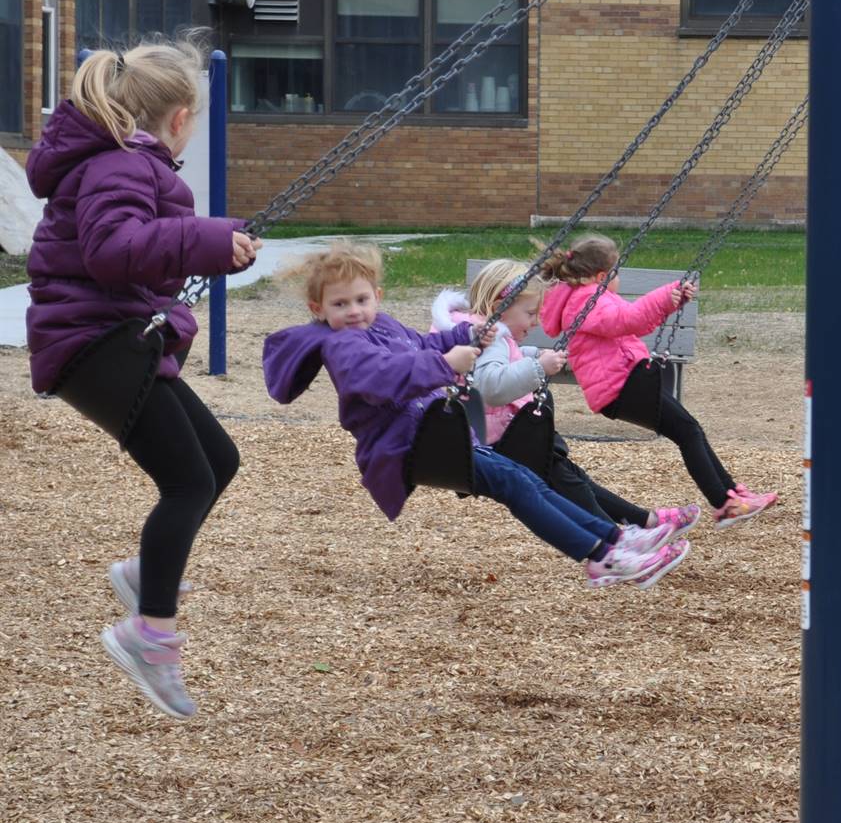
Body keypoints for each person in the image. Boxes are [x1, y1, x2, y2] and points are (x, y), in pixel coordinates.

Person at [24, 37, 261, 719]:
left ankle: (143, 573)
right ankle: (149, 636)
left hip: (115, 336)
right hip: (96, 343)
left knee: (219, 459)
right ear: (180, 118)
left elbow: (151, 253)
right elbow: (111, 252)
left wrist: (225, 244)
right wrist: (206, 239)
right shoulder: (121, 167)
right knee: (187, 479)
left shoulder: (127, 164)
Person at [262, 241, 689, 589]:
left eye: (361, 299)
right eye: (340, 304)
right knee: (513, 482)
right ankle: (601, 556)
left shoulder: (383, 325)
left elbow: (418, 344)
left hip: (432, 432)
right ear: (319, 309)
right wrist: (448, 363)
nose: (353, 311)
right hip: (406, 446)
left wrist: (466, 334)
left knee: (523, 480)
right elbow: (381, 376)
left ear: (378, 296)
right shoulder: (344, 346)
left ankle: (616, 539)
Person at [431, 260, 700, 541]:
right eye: (530, 313)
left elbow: (498, 364)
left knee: (569, 476)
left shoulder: (474, 330)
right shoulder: (493, 337)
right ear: (502, 303)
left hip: (489, 436)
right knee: (568, 481)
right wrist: (538, 368)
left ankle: (642, 521)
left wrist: (533, 356)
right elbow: (491, 387)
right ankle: (619, 542)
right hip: (500, 443)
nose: (535, 321)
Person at [539, 235, 778, 528]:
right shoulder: (586, 301)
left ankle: (730, 496)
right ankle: (725, 502)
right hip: (622, 387)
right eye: (617, 272)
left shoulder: (588, 297)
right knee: (688, 431)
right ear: (603, 275)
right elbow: (628, 320)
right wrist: (667, 296)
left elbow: (628, 324)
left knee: (688, 430)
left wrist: (669, 303)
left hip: (624, 383)